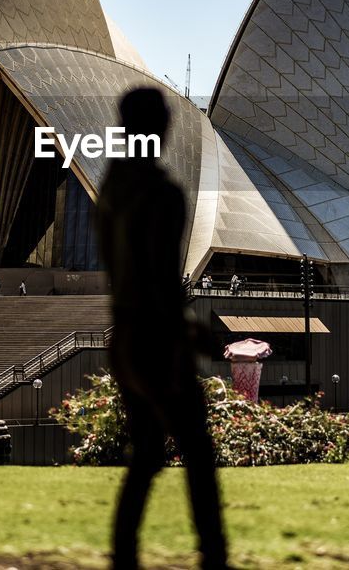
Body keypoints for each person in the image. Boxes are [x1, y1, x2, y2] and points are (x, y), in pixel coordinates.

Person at [94, 87, 227, 570]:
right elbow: (162, 279)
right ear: (160, 128)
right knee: (196, 446)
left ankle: (123, 556)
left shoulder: (109, 193)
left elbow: (123, 273)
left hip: (123, 338)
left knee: (148, 452)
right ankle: (215, 555)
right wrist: (189, 332)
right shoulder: (162, 194)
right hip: (155, 339)